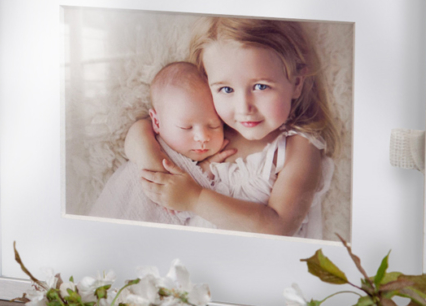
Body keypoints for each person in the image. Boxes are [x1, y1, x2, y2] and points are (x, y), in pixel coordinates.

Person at [131, 17, 336, 238]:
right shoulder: (210, 129)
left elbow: (279, 226)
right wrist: (156, 167)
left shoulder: (299, 145)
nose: (243, 108)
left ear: (296, 83)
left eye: (260, 86)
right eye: (226, 89)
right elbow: (141, 129)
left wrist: (194, 198)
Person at [88, 62, 235, 224]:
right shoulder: (153, 140)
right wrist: (150, 159)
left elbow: (190, 200)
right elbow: (134, 140)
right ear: (157, 122)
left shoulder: (220, 159)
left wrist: (204, 170)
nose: (202, 137)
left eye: (214, 126)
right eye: (186, 127)